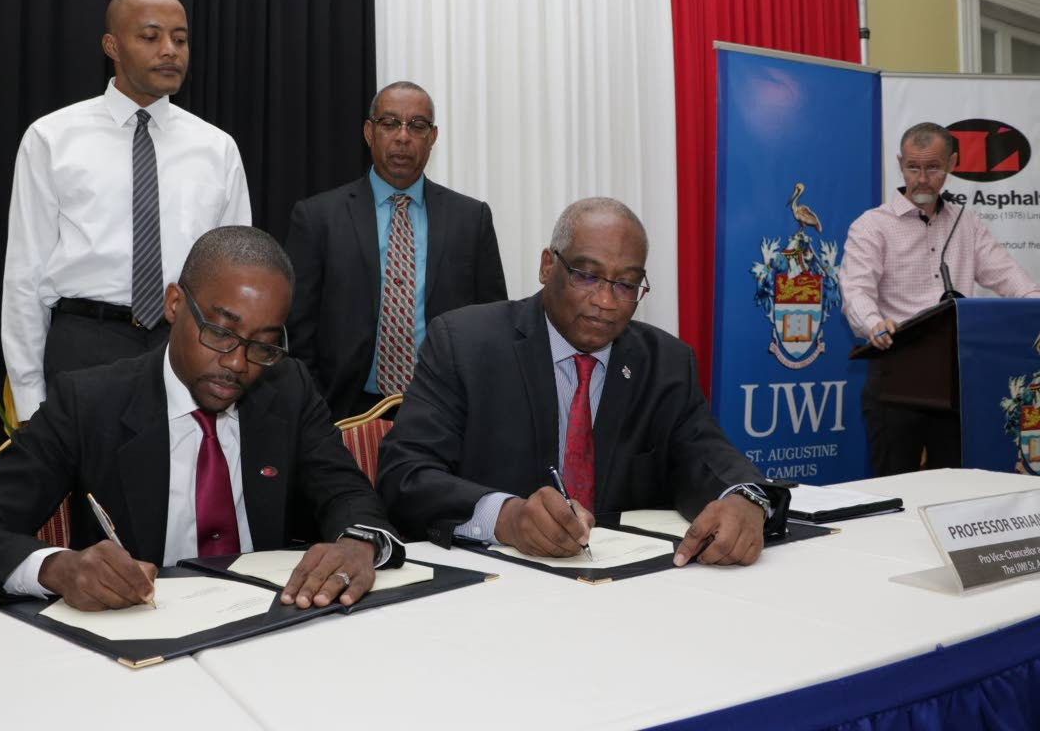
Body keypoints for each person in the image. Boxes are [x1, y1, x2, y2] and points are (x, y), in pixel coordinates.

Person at [0, 227, 402, 611]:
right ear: (175, 304)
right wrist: (57, 567)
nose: (239, 363)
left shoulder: (288, 386)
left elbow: (347, 494)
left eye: (263, 344)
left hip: (267, 628)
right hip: (140, 639)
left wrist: (358, 543)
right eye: (221, 332)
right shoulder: (89, 401)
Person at [376, 198, 787, 566]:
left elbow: (704, 453)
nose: (606, 301)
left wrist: (745, 496)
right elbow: (405, 473)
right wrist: (505, 517)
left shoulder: (665, 362)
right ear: (546, 266)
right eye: (587, 276)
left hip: (630, 590)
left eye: (626, 284)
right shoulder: (464, 344)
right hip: (499, 589)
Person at [2, 0, 252, 422]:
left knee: (179, 488)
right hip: (86, 342)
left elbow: (236, 274)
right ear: (112, 46)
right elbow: (25, 277)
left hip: (184, 346)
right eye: (151, 37)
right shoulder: (52, 138)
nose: (171, 51)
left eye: (180, 38)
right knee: (92, 488)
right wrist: (28, 400)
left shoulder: (217, 148)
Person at [283, 81, 507, 422]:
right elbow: (297, 329)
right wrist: (317, 410)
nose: (403, 137)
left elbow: (491, 323)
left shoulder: (470, 219)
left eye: (417, 126)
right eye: (390, 123)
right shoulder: (318, 218)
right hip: (343, 410)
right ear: (369, 132)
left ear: (432, 138)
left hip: (445, 408)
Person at [838, 122, 1040, 476]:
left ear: (953, 164)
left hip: (958, 385)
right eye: (913, 167)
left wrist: (1034, 307)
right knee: (896, 490)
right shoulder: (872, 226)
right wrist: (872, 322)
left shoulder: (968, 223)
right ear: (900, 163)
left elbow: (1010, 278)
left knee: (958, 490)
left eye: (933, 168)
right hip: (896, 379)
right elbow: (856, 289)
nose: (922, 178)